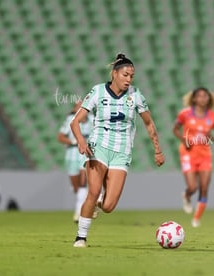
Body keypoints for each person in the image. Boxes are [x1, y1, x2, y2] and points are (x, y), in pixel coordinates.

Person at [70, 53, 165, 248]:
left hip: (122, 152)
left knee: (108, 206)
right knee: (93, 191)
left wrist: (158, 150)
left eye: (132, 76)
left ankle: (99, 204)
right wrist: (81, 141)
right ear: (114, 73)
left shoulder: (135, 95)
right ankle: (81, 237)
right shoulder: (97, 91)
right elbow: (75, 122)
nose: (129, 79)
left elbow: (149, 123)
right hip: (98, 147)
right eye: (125, 75)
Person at [173, 87, 214, 227]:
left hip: (205, 155)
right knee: (193, 186)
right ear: (194, 98)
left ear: (209, 99)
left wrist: (212, 137)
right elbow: (175, 129)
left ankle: (196, 219)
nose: (202, 98)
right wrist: (184, 140)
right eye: (199, 96)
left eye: (205, 96)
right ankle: (187, 195)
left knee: (204, 187)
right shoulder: (185, 114)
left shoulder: (213, 117)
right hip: (188, 153)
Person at [58, 100, 93, 223]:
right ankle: (81, 202)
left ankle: (79, 213)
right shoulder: (71, 120)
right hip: (72, 155)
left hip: (85, 154)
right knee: (77, 187)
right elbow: (60, 137)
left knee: (83, 182)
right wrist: (74, 142)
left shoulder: (93, 120)